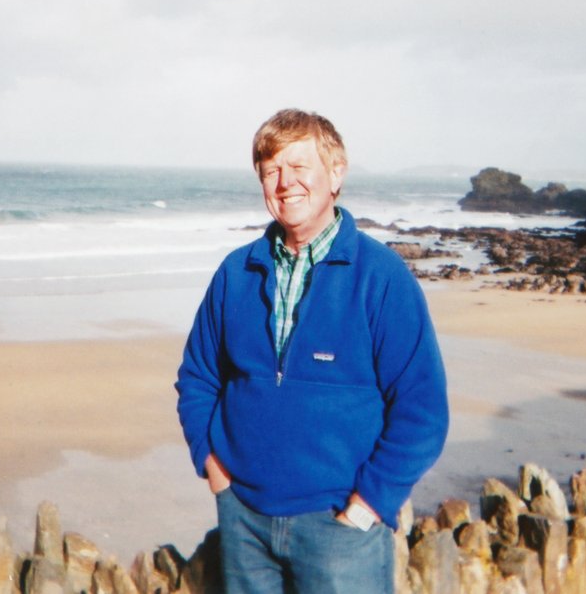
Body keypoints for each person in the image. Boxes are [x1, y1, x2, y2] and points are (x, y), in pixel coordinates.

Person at [176, 109, 449, 593]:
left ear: (336, 173)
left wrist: (367, 506)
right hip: (245, 524)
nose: (285, 184)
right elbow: (198, 377)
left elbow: (422, 410)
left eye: (299, 167)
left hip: (340, 529)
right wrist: (215, 470)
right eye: (271, 171)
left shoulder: (381, 279)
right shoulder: (236, 273)